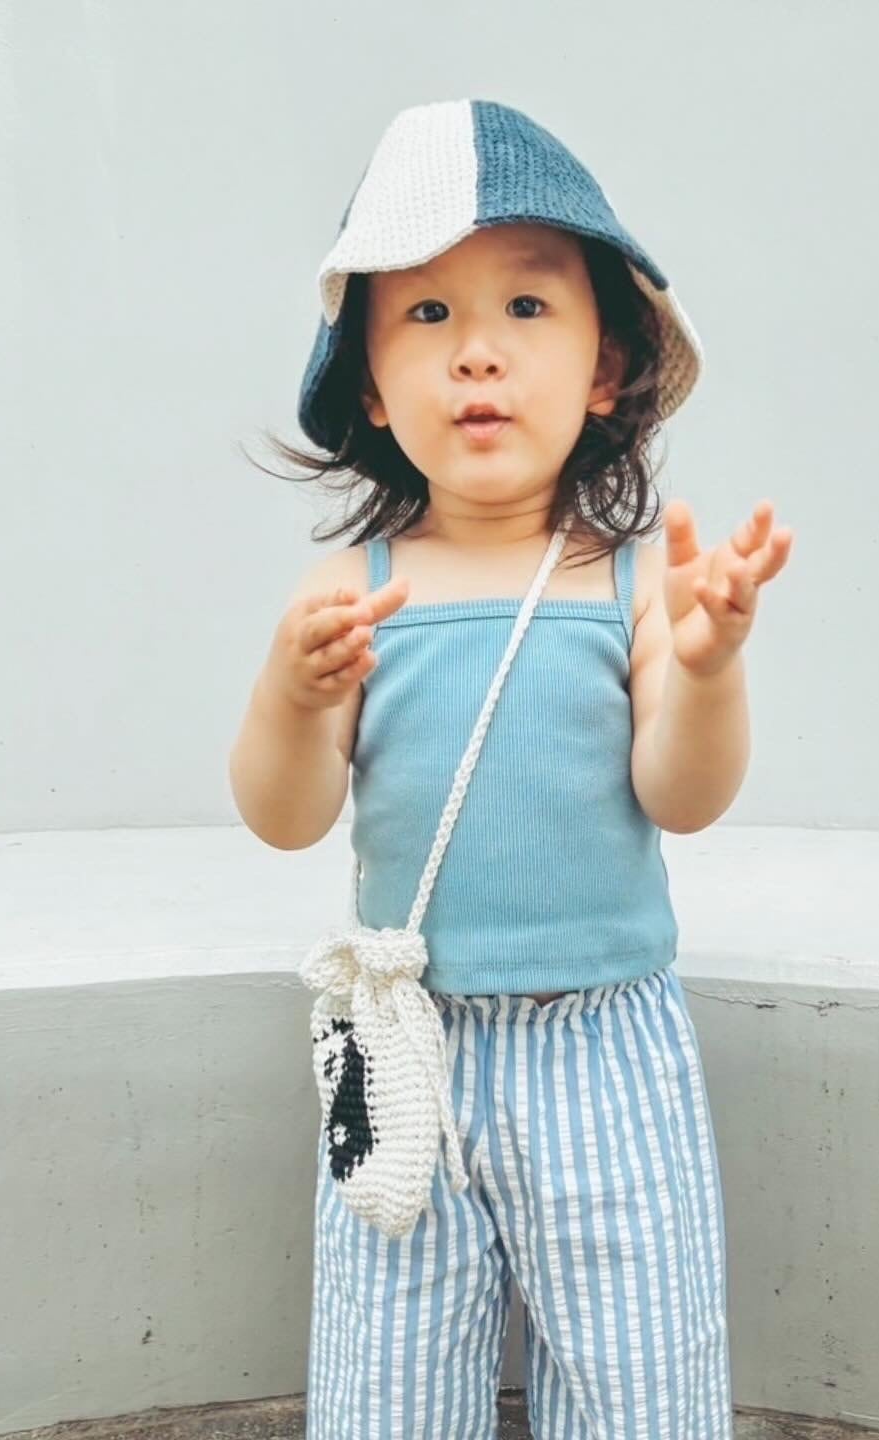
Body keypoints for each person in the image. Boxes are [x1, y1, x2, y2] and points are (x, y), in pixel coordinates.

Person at [229, 97, 793, 1440]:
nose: (477, 350)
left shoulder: (630, 586)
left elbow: (683, 795)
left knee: (642, 1380)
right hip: (406, 1041)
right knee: (387, 1385)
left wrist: (708, 666)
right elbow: (286, 817)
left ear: (607, 367)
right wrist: (292, 696)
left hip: (605, 1047)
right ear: (372, 388)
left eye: (527, 308)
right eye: (427, 314)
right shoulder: (350, 592)